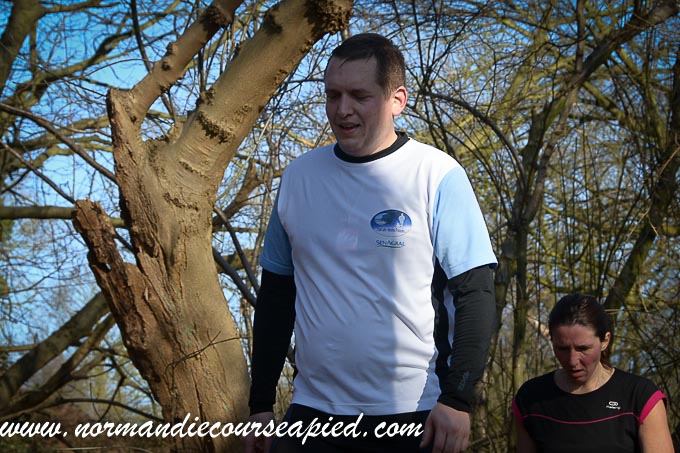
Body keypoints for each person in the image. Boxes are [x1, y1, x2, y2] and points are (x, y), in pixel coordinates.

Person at [244, 32, 497, 453]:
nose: (342, 109)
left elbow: (476, 292)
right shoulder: (298, 178)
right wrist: (260, 404)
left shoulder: (437, 174)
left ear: (397, 99)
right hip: (312, 415)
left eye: (359, 96)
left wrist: (457, 399)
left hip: (414, 411)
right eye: (333, 95)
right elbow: (276, 296)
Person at [512, 294, 674, 452]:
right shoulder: (531, 398)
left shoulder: (640, 397)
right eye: (562, 348)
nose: (572, 360)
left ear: (605, 341)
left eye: (583, 348)